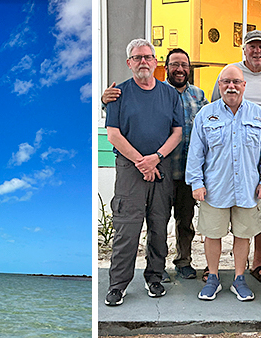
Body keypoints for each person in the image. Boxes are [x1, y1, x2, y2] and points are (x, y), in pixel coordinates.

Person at [102, 48, 209, 281]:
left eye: (184, 65)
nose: (180, 69)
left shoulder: (199, 96)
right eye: (174, 65)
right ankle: (152, 272)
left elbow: (208, 127)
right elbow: (120, 116)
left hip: (188, 169)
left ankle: (182, 262)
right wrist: (104, 100)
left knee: (184, 219)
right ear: (166, 67)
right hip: (160, 168)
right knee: (156, 220)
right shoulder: (156, 90)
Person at [187, 64, 261, 301]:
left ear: (244, 85)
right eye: (226, 81)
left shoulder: (259, 116)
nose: (231, 86)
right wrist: (196, 182)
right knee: (212, 234)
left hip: (248, 188)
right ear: (219, 85)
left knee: (243, 234)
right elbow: (195, 152)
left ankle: (239, 279)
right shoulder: (206, 115)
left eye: (236, 82)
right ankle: (213, 277)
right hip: (215, 188)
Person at [103, 38, 183, 306]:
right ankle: (118, 285)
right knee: (127, 228)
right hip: (130, 168)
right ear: (129, 63)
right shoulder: (118, 94)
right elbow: (113, 134)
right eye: (137, 58)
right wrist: (141, 161)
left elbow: (177, 132)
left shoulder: (170, 94)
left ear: (156, 61)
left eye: (148, 57)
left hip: (161, 167)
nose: (143, 62)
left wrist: (156, 157)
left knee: (159, 226)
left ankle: (155, 278)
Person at [210, 29, 261, 284]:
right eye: (251, 46)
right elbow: (214, 109)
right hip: (229, 156)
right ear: (244, 49)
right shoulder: (231, 73)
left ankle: (256, 263)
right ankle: (217, 269)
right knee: (224, 208)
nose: (257, 51)